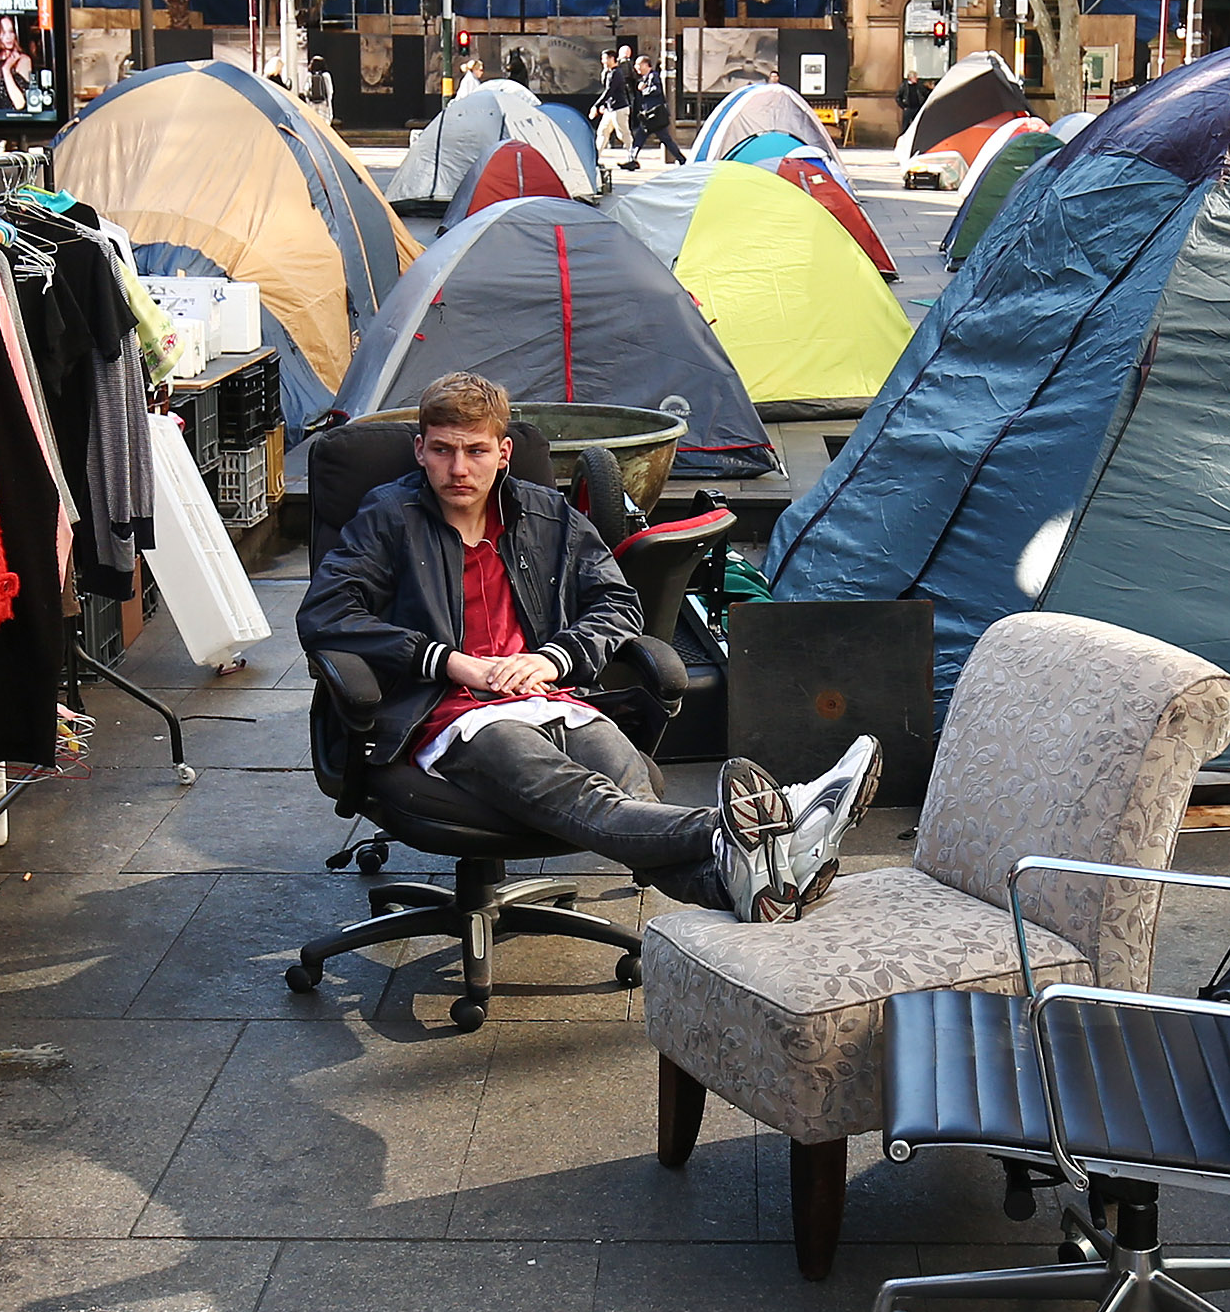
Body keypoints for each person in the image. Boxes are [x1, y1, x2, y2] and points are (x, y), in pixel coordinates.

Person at [300, 371, 877, 921]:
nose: (458, 468)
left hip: (554, 696)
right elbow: (327, 612)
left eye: (475, 451)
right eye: (443, 450)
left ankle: (737, 880)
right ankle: (773, 819)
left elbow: (618, 604)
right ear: (420, 449)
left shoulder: (545, 514)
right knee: (587, 799)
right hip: (453, 714)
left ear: (502, 453)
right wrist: (450, 662)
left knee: (631, 794)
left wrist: (553, 657)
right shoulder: (388, 517)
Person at [596, 42, 642, 169]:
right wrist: (604, 105)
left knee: (623, 134)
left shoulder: (617, 73)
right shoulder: (608, 72)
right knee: (603, 132)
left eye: (605, 58)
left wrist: (597, 105)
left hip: (619, 108)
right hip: (611, 108)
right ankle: (595, 157)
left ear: (612, 59)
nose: (603, 61)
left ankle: (632, 158)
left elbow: (610, 90)